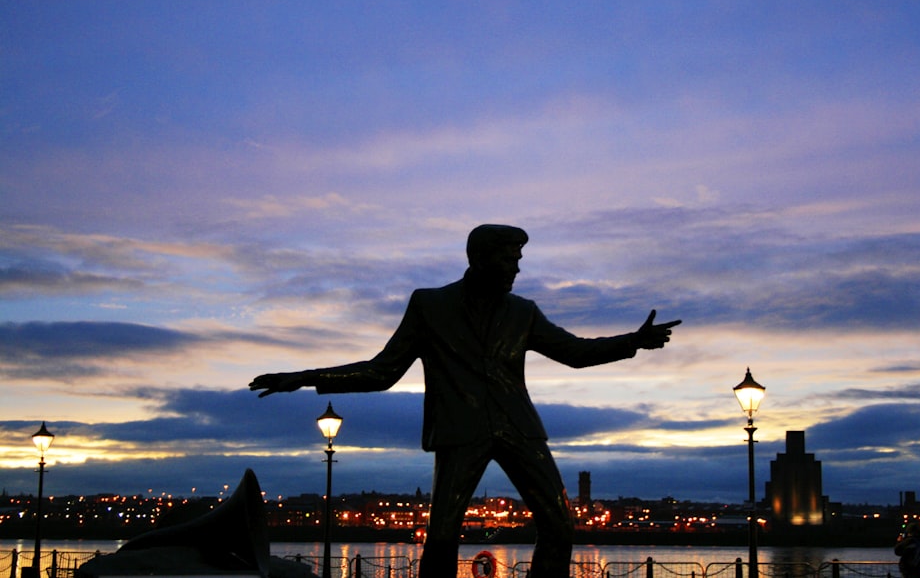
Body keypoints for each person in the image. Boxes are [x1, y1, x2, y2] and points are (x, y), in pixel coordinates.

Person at [249, 224, 681, 578]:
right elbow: (383, 371)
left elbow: (574, 352)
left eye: (518, 260)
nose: (516, 268)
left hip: (519, 428)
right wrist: (306, 378)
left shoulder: (523, 312)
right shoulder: (430, 305)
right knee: (441, 537)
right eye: (509, 259)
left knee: (560, 526)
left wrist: (633, 342)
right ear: (480, 258)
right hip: (460, 430)